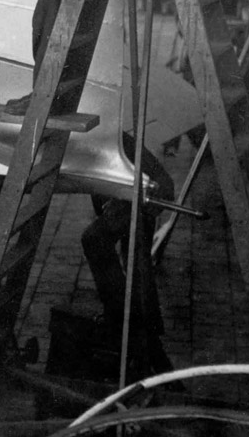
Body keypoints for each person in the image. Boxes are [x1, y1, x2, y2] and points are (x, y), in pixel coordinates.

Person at [81, 142, 175, 377]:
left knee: (98, 240)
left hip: (148, 192)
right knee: (124, 254)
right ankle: (138, 332)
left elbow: (161, 184)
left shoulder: (115, 139)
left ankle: (142, 336)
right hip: (128, 190)